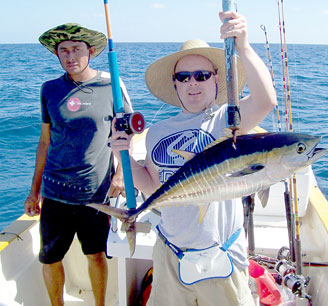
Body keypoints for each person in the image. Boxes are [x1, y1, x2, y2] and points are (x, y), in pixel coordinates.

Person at [109, 11, 277, 306]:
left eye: (202, 75)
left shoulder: (228, 120)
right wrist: (121, 153)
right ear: (174, 84)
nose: (192, 83)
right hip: (170, 254)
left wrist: (244, 46)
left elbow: (266, 101)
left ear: (216, 80)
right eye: (183, 77)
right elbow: (152, 187)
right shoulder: (156, 132)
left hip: (221, 255)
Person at [24, 23, 133, 306]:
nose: (70, 56)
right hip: (55, 192)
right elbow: (44, 142)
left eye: (76, 49)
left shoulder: (112, 86)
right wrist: (34, 191)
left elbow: (128, 133)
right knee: (49, 258)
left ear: (91, 51)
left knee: (96, 255)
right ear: (57, 55)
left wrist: (121, 173)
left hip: (95, 194)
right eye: (64, 51)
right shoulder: (49, 90)